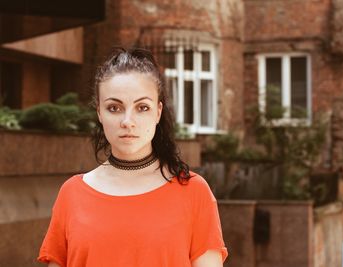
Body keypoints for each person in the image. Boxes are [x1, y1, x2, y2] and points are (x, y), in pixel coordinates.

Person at [37, 47, 228, 267]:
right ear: (99, 112)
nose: (127, 121)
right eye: (114, 107)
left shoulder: (194, 191)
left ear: (158, 112)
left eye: (142, 107)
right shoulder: (71, 193)